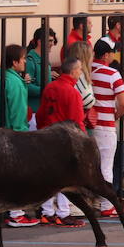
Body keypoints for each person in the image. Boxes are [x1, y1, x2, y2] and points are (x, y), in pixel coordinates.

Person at [33, 57, 88, 227]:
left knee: (49, 178)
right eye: (79, 69)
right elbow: (77, 122)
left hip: (47, 137)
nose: (81, 72)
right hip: (64, 142)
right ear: (73, 72)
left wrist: (43, 131)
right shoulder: (72, 93)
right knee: (66, 179)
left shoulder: (50, 87)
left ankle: (47, 212)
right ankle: (63, 213)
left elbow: (41, 114)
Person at [89, 40, 124, 213]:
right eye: (112, 52)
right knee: (105, 166)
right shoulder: (113, 74)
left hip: (90, 125)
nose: (114, 55)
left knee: (91, 165)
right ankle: (107, 204)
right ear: (105, 55)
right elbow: (123, 103)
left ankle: (93, 200)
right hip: (106, 125)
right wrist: (116, 114)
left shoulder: (87, 70)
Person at [0, 44, 28, 131]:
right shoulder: (15, 83)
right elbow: (18, 115)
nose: (25, 61)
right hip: (7, 134)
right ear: (15, 63)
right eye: (23, 58)